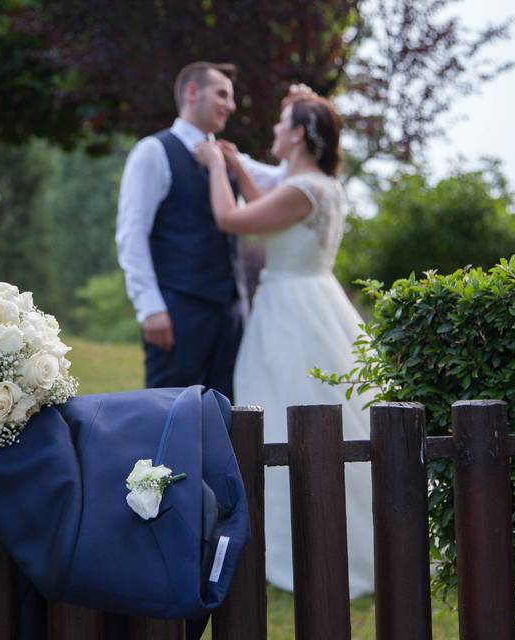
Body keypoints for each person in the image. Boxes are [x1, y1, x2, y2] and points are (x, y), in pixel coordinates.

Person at [193, 94, 375, 597]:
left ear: (297, 134)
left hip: (291, 309)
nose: (273, 126)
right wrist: (237, 165)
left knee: (281, 410)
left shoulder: (302, 188)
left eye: (281, 120)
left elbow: (234, 219)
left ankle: (305, 543)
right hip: (314, 299)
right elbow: (267, 209)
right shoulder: (319, 186)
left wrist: (214, 166)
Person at [116, 61, 282, 401]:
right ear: (193, 93)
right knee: (169, 414)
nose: (231, 106)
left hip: (232, 313)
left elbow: (286, 182)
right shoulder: (154, 151)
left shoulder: (229, 156)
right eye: (222, 94)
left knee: (227, 420)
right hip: (178, 310)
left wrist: (304, 112)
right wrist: (150, 306)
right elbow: (131, 233)